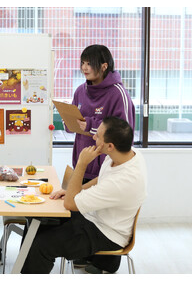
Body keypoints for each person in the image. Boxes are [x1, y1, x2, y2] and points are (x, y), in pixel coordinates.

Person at [21, 117, 147, 274]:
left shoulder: (122, 182)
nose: (93, 137)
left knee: (41, 246)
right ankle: (23, 271)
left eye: (98, 136)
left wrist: (82, 163)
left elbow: (70, 205)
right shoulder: (129, 154)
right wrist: (76, 190)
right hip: (94, 218)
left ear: (110, 146)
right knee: (37, 219)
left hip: (106, 233)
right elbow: (101, 178)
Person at [65, 44, 135, 184]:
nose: (84, 68)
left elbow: (124, 133)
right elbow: (74, 125)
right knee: (70, 204)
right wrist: (69, 122)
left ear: (104, 66)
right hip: (81, 166)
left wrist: (89, 125)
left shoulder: (118, 93)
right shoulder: (80, 90)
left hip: (106, 171)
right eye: (83, 63)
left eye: (89, 63)